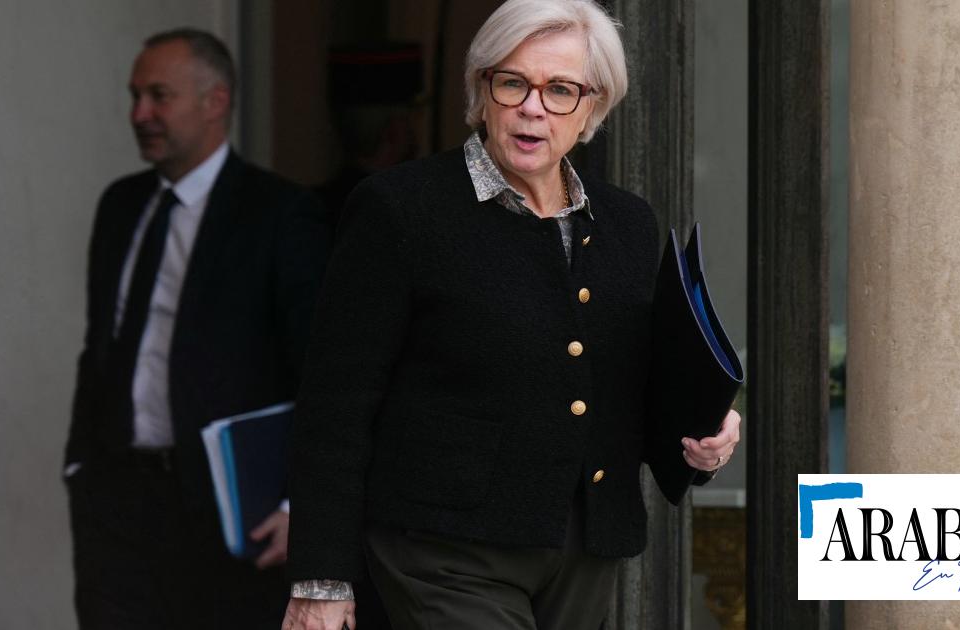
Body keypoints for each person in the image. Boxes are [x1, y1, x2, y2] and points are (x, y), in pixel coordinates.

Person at [282, 1, 741, 628]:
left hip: (585, 548)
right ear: (482, 90)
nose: (533, 107)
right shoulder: (400, 210)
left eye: (560, 90)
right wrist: (321, 578)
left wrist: (702, 437)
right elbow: (336, 402)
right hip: (444, 548)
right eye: (513, 83)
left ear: (592, 108)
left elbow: (625, 389)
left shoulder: (627, 224)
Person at [64, 28, 330, 629]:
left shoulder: (279, 213)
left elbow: (320, 371)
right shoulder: (121, 205)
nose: (139, 114)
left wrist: (299, 504)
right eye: (135, 96)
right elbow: (100, 347)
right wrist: (79, 467)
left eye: (159, 96)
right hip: (116, 507)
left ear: (216, 102)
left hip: (226, 514)